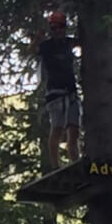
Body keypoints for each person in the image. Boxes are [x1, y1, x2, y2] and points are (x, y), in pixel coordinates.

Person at [38, 10, 82, 168]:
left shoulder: (68, 43)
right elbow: (34, 49)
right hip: (55, 93)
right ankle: (55, 166)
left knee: (74, 130)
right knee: (57, 128)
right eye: (54, 28)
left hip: (70, 91)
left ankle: (75, 162)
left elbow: (80, 41)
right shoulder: (46, 47)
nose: (57, 31)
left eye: (60, 27)